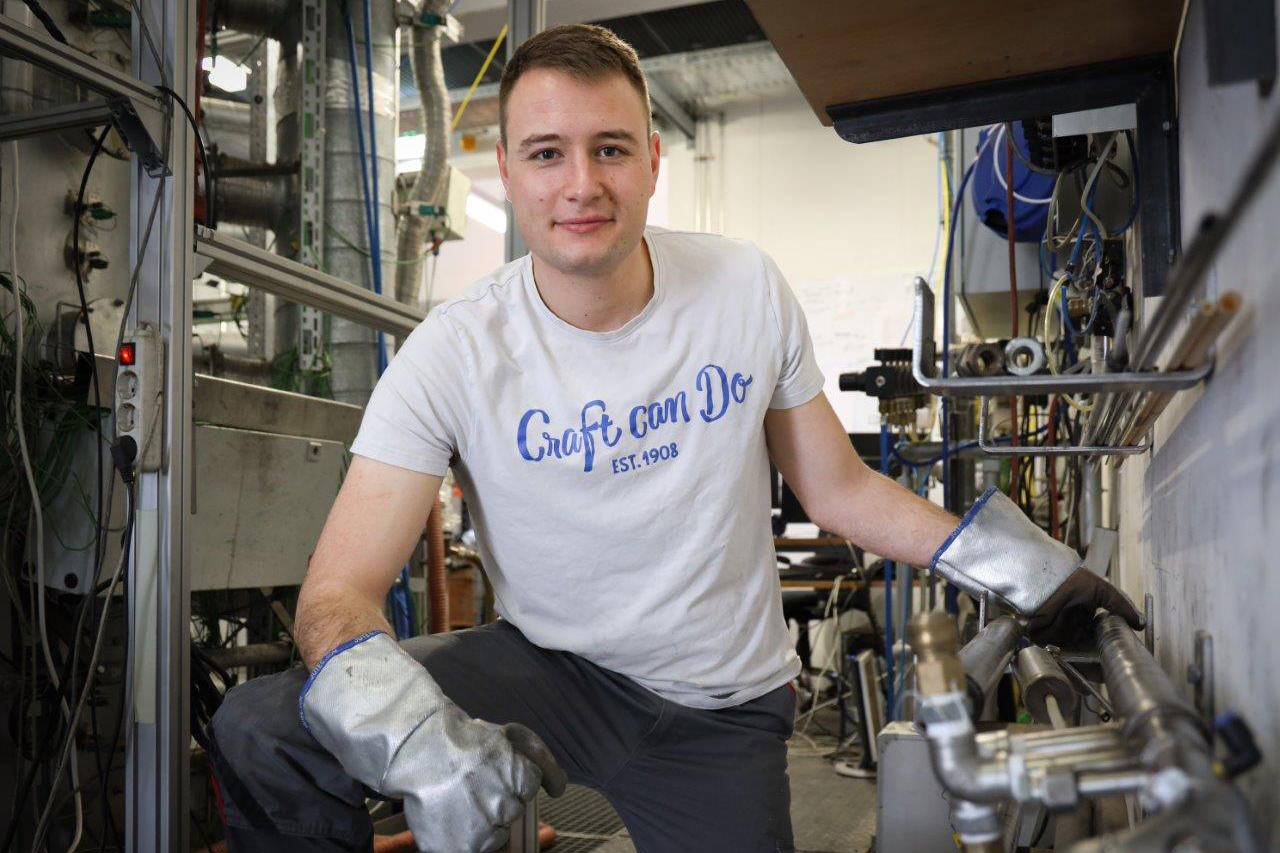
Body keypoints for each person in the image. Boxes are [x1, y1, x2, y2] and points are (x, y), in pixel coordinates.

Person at [209, 23, 1141, 853]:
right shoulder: (452, 351)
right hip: (551, 673)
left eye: (608, 149)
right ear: (508, 171)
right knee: (262, 725)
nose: (580, 184)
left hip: (720, 708)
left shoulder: (743, 289)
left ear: (653, 158)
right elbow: (336, 596)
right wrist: (421, 744)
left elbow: (839, 490)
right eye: (546, 154)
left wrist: (1022, 564)